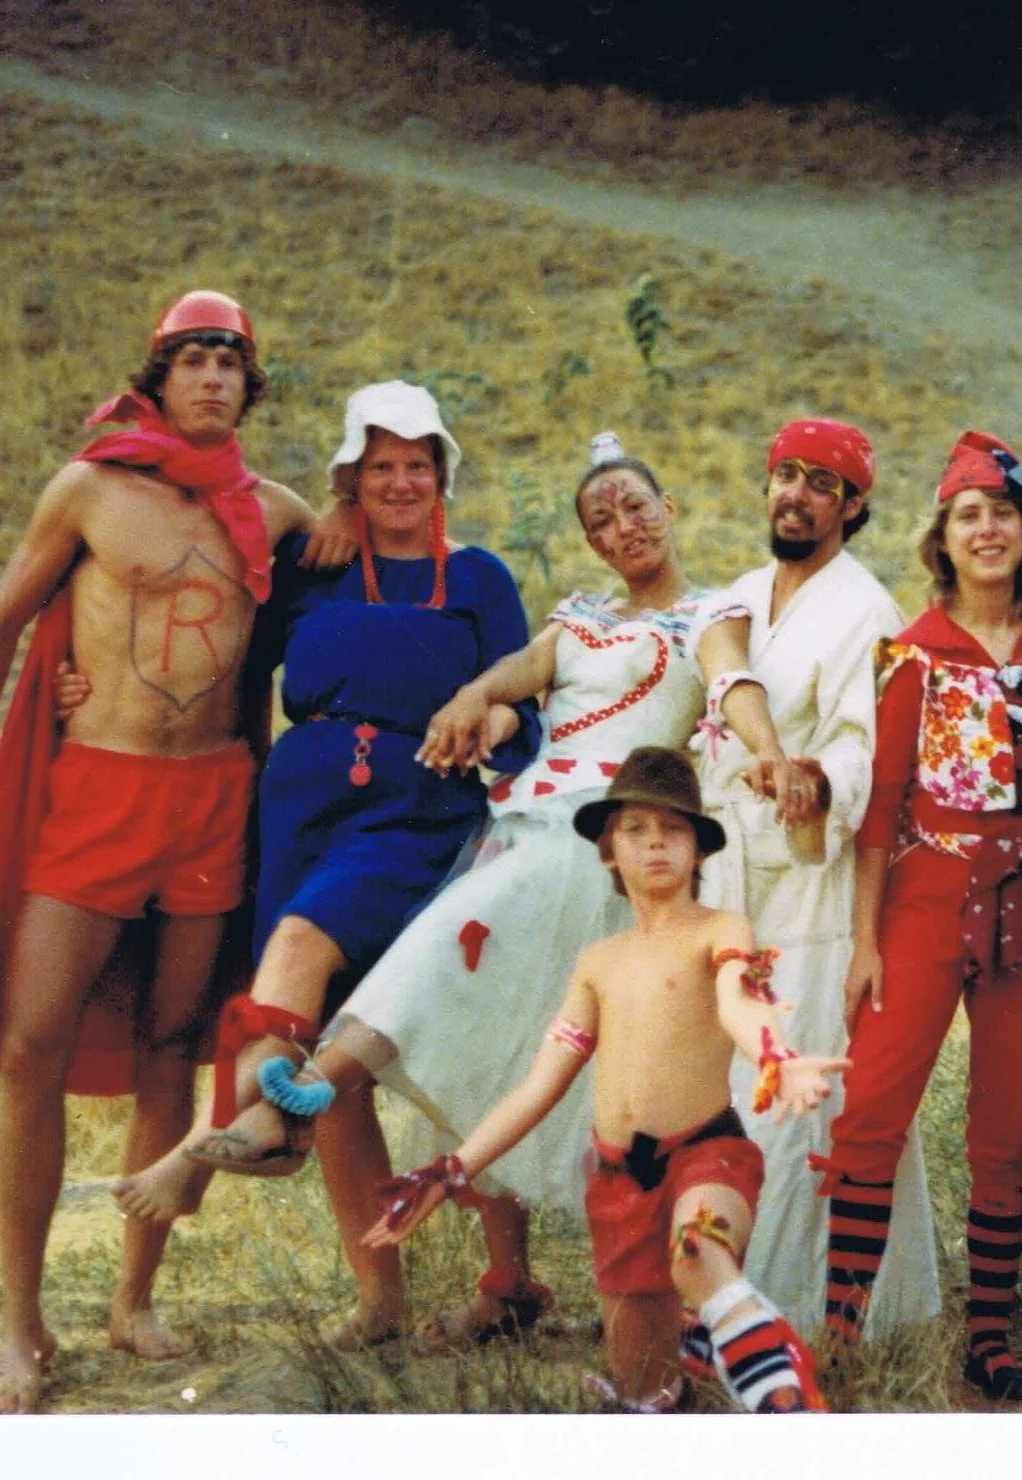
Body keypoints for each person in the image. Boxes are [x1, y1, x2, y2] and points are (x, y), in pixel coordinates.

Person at [211, 433, 800, 1348]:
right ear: (593, 543)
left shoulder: (708, 613)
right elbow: (515, 677)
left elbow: (733, 686)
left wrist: (765, 750)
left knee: (434, 960)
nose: (623, 525)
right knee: (498, 1048)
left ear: (669, 509)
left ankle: (296, 1100)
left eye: (636, 506)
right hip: (519, 823)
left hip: (591, 843)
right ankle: (508, 1282)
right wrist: (468, 701)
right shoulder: (580, 618)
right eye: (601, 518)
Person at [0, 290, 341, 1412]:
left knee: (175, 1039)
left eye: (231, 362)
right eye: (194, 359)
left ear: (249, 386)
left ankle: (131, 1298)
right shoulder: (90, 489)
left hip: (214, 793)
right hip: (98, 787)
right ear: (158, 375)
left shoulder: (276, 510)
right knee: (34, 1046)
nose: (213, 377)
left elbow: (367, 565)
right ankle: (24, 1324)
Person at [108, 380, 542, 1352]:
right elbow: (215, 653)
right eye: (379, 465)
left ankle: (229, 1138)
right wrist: (83, 681)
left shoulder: (478, 578)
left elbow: (526, 702)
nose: (399, 481)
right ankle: (380, 1301)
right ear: (350, 475)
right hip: (302, 811)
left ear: (442, 477)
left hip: (419, 808)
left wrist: (492, 713)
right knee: (338, 1060)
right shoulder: (310, 566)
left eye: (417, 465)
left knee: (423, 1020)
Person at [361, 748, 838, 1413]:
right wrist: (450, 1171)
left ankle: (780, 1394)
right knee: (645, 1393)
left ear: (699, 850)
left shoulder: (720, 930)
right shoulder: (599, 962)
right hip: (619, 1182)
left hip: (706, 1153)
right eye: (636, 830)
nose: (655, 844)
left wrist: (777, 1057)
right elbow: (539, 1085)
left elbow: (741, 1000)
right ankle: (693, 1356)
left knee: (697, 1250)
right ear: (609, 851)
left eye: (673, 830)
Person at [813, 431, 1022, 1400]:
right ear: (941, 537)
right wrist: (862, 939)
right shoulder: (911, 657)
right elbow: (882, 804)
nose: (984, 530)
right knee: (871, 1110)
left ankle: (987, 1333)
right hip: (927, 894)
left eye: (1001, 513)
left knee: (1007, 1122)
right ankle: (840, 1328)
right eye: (966, 515)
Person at [694, 418, 942, 1340]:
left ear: (855, 506)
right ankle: (726, 1288)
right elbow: (714, 681)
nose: (795, 495)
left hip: (809, 876)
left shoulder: (864, 610)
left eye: (821, 484)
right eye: (785, 476)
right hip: (731, 868)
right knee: (733, 1073)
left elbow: (858, 745)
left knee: (796, 1084)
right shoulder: (745, 594)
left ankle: (795, 1311)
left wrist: (813, 785)